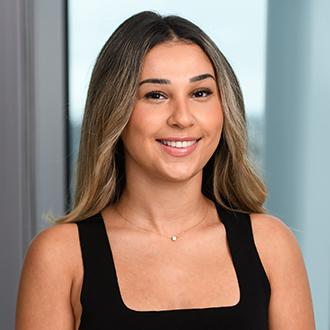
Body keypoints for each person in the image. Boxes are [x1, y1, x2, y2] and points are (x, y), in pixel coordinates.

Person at [15, 11, 315, 329]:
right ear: (114, 111)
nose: (182, 118)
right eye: (156, 95)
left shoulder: (271, 245)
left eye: (200, 93)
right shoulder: (60, 256)